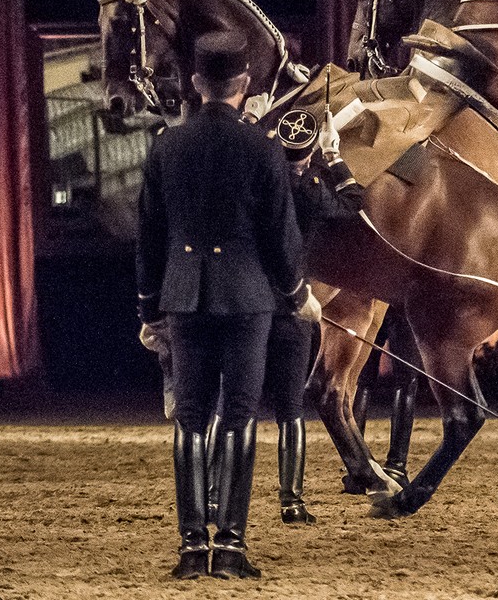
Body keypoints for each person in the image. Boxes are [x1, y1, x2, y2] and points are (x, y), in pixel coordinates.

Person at [136, 30, 319, 580]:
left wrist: (149, 313)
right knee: (239, 414)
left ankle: (192, 547)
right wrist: (298, 296)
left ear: (195, 83)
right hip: (248, 299)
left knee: (190, 417)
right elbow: (280, 238)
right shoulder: (264, 148)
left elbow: (148, 237)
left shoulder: (166, 145)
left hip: (185, 299)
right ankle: (232, 546)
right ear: (243, 84)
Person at [261, 106, 364, 524]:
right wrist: (334, 156)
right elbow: (354, 203)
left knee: (230, 404)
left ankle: (214, 495)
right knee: (290, 409)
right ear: (308, 153)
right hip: (292, 304)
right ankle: (291, 500)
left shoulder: (258, 181)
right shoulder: (312, 190)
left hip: (246, 301)